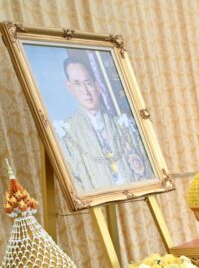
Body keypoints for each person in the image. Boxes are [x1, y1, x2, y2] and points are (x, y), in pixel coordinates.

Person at [56, 56, 151, 193]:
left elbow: (144, 170)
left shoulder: (123, 125)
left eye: (88, 83)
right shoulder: (66, 134)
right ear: (70, 87)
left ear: (97, 86)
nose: (85, 91)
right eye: (77, 84)